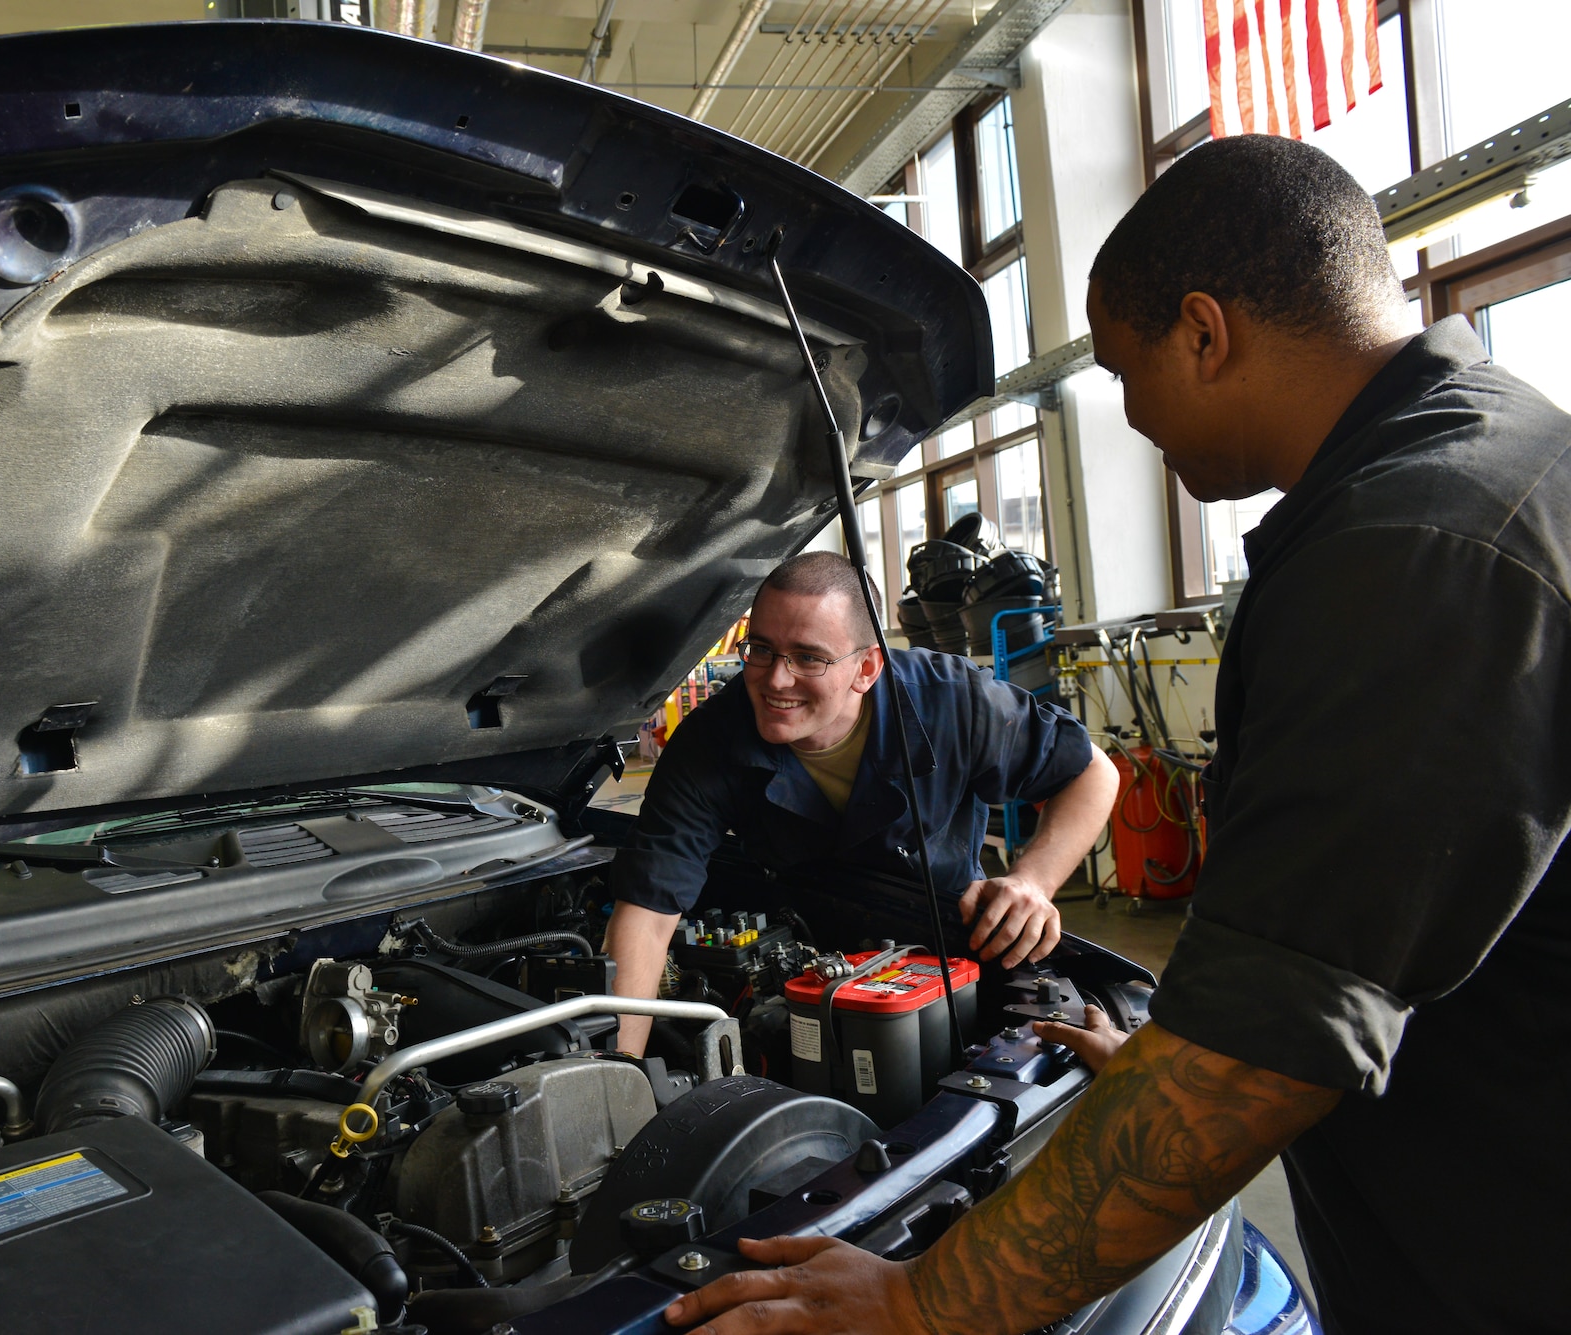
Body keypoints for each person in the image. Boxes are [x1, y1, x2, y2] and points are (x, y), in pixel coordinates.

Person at [665, 134, 1570, 1335]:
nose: (1131, 414)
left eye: (1124, 370)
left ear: (1204, 332)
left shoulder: (1409, 548)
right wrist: (1160, 1073)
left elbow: (1265, 1050)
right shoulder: (1483, 464)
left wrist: (917, 1306)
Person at [604, 550, 1118, 1058]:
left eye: (808, 657)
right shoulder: (711, 741)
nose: (775, 679)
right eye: (760, 649)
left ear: (867, 667)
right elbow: (647, 913)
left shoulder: (950, 701)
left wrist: (1033, 880)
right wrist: (617, 1076)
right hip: (800, 951)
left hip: (945, 942)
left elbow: (1092, 771)